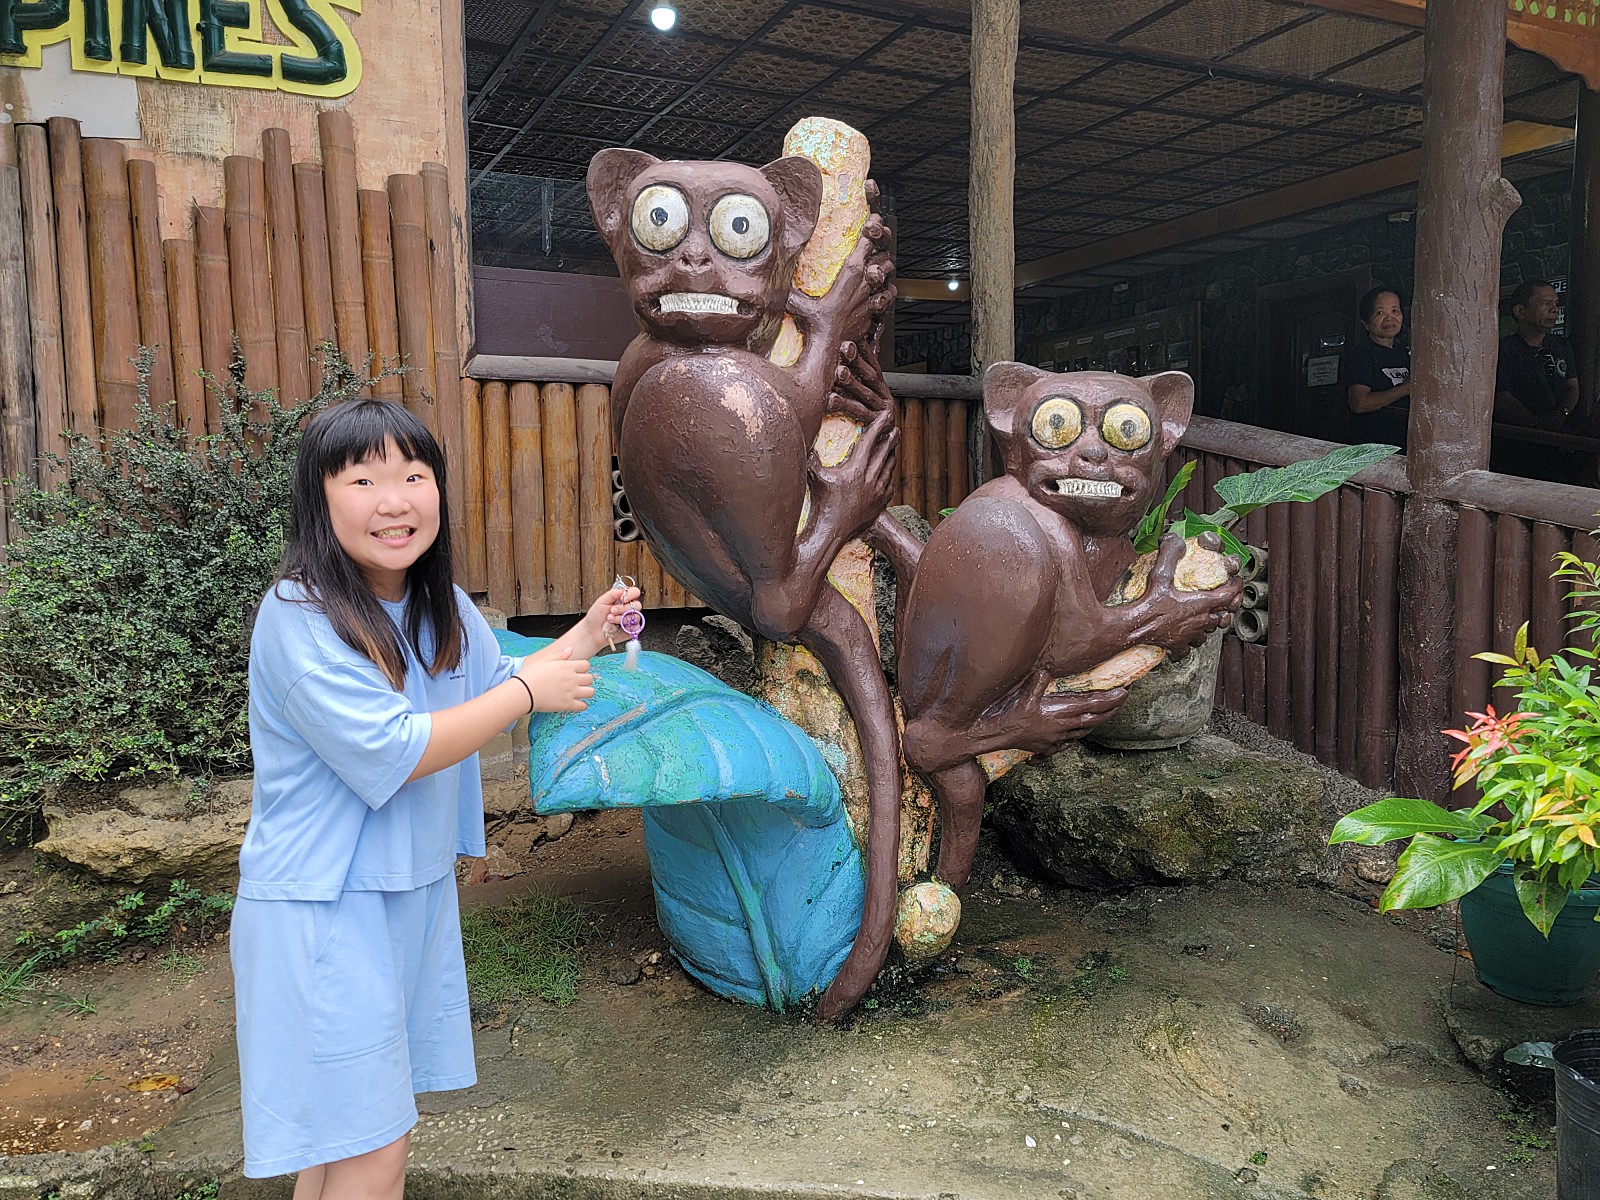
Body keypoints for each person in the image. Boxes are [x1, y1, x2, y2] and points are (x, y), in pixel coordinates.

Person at [232, 398, 638, 1197]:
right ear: (318, 498)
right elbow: (399, 747)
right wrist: (528, 693)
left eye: (414, 476)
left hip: (408, 896)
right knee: (374, 1149)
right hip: (324, 908)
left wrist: (590, 633)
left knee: (344, 1141)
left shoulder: (437, 604)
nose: (395, 501)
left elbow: (495, 685)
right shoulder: (299, 616)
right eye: (363, 480)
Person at [1495, 280, 1579, 432]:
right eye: (1546, 304)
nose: (1554, 309)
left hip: (1560, 434)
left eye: (1555, 303)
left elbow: (1572, 386)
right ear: (1520, 311)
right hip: (1519, 436)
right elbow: (1502, 398)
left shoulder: (1561, 345)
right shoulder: (1504, 349)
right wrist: (1537, 426)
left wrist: (1561, 415)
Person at [1344, 286, 1410, 449]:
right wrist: (1405, 389)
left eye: (1395, 311)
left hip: (1404, 445)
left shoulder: (1404, 354)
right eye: (1380, 312)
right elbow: (1359, 404)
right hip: (1373, 448)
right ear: (1366, 323)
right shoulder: (1362, 354)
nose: (1389, 318)